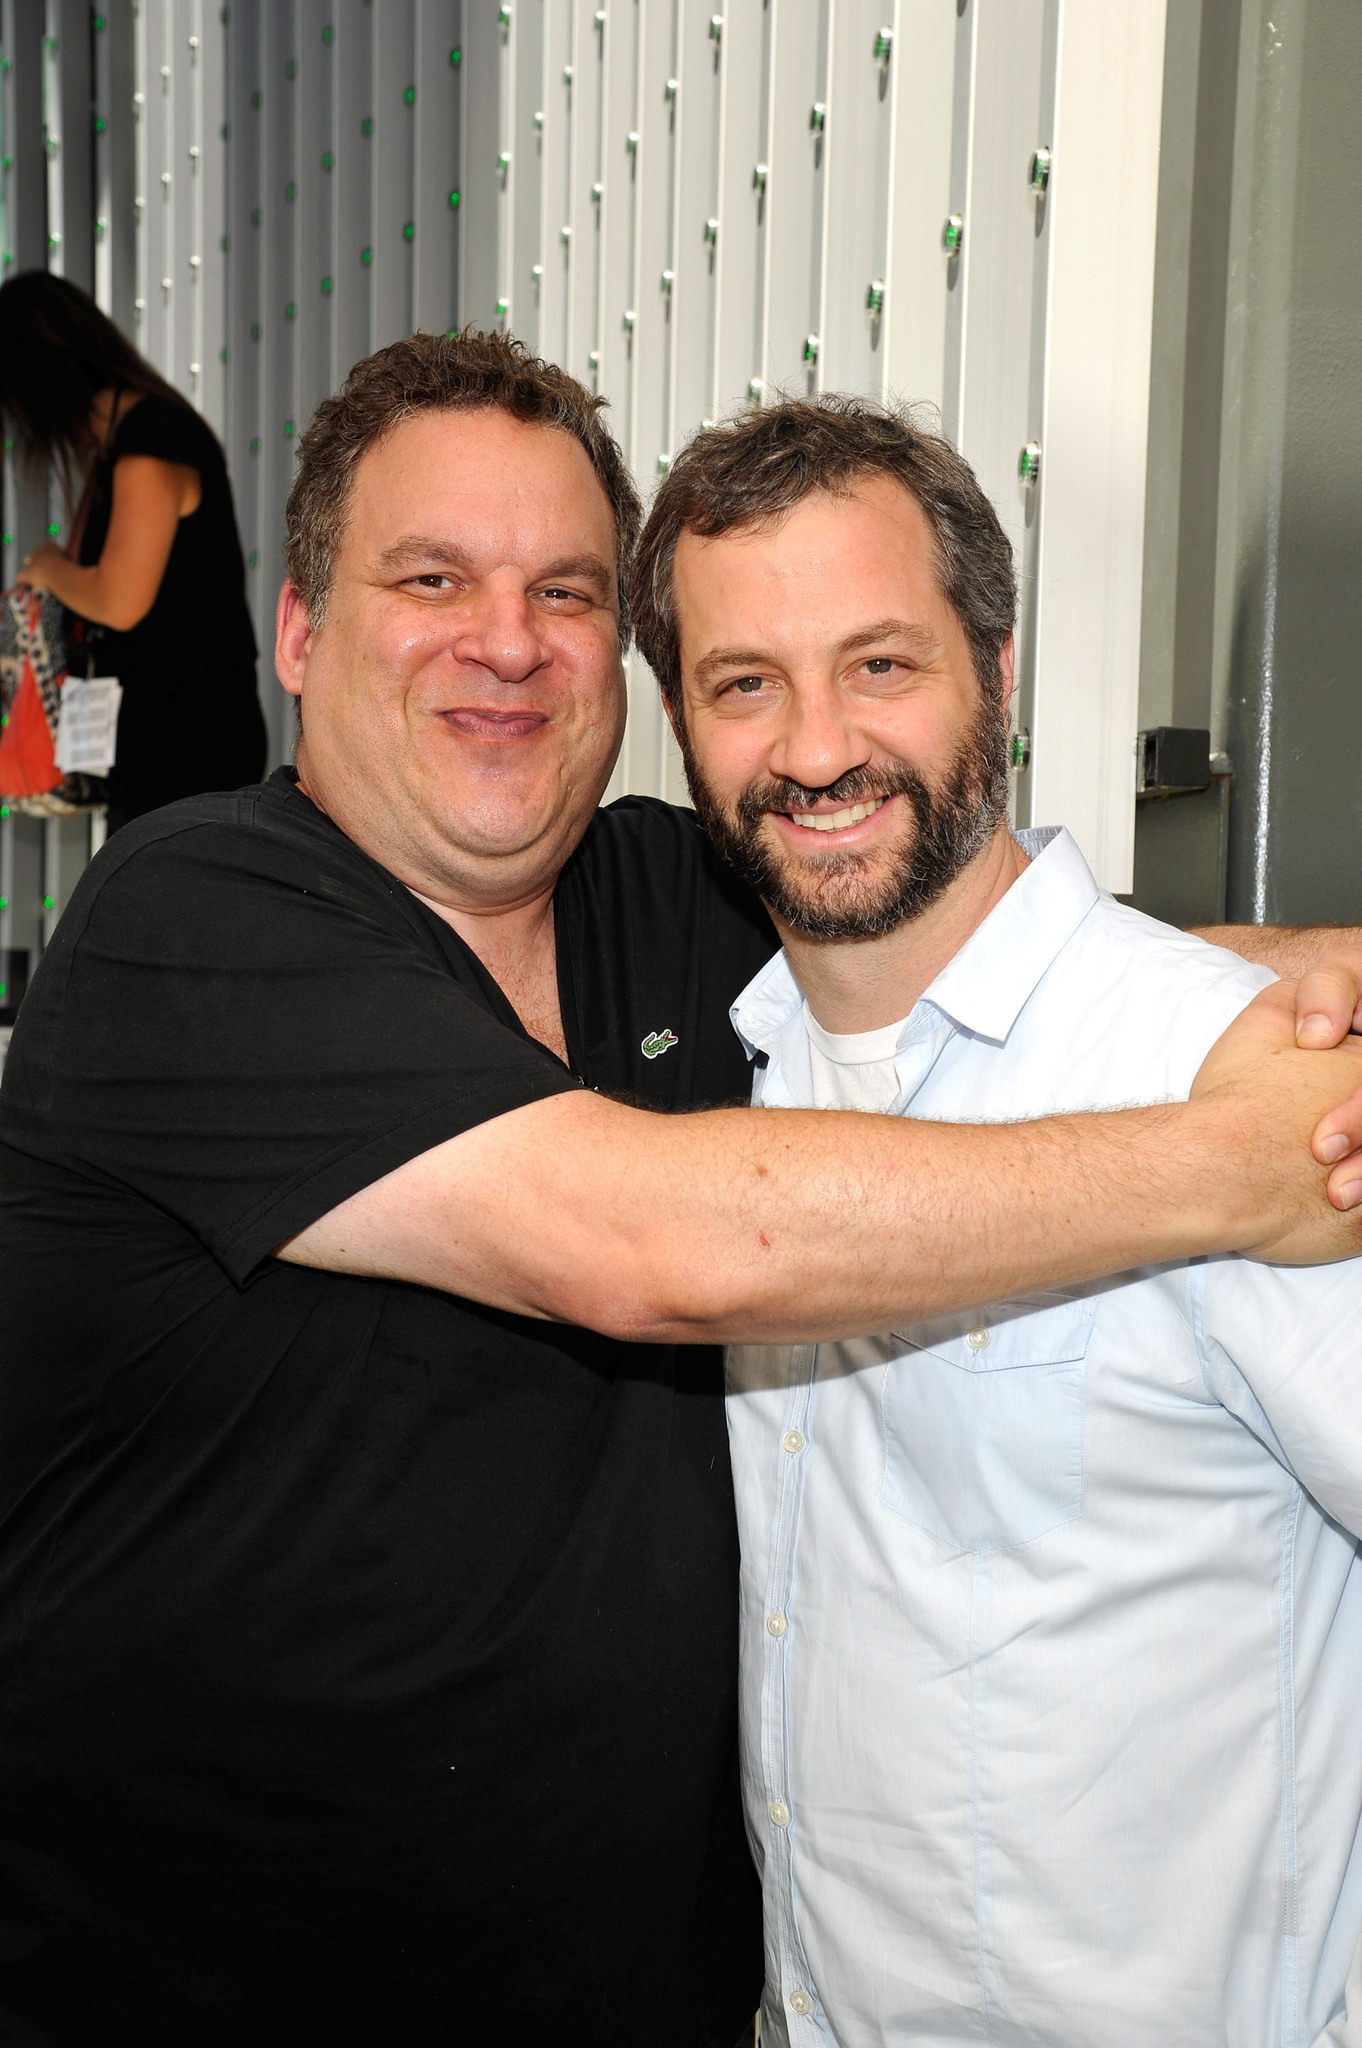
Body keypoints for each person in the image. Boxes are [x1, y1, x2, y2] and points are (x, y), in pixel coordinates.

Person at [0, 333, 1359, 2048]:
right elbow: (653, 1241)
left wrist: (1278, 988)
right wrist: (1228, 1152)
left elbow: (947, 919)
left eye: (564, 590)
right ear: (297, 631)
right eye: (432, 577)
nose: (505, 639)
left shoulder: (677, 903)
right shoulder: (190, 919)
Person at [629, 393, 1362, 2047]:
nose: (813, 749)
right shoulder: (738, 1074)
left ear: (999, 671)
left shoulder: (1231, 1084)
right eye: (746, 684)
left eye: (878, 664)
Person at [0, 271, 266, 832]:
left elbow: (120, 599)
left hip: (186, 745)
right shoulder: (129, 441)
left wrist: (51, 569)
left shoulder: (150, 440)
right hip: (166, 740)